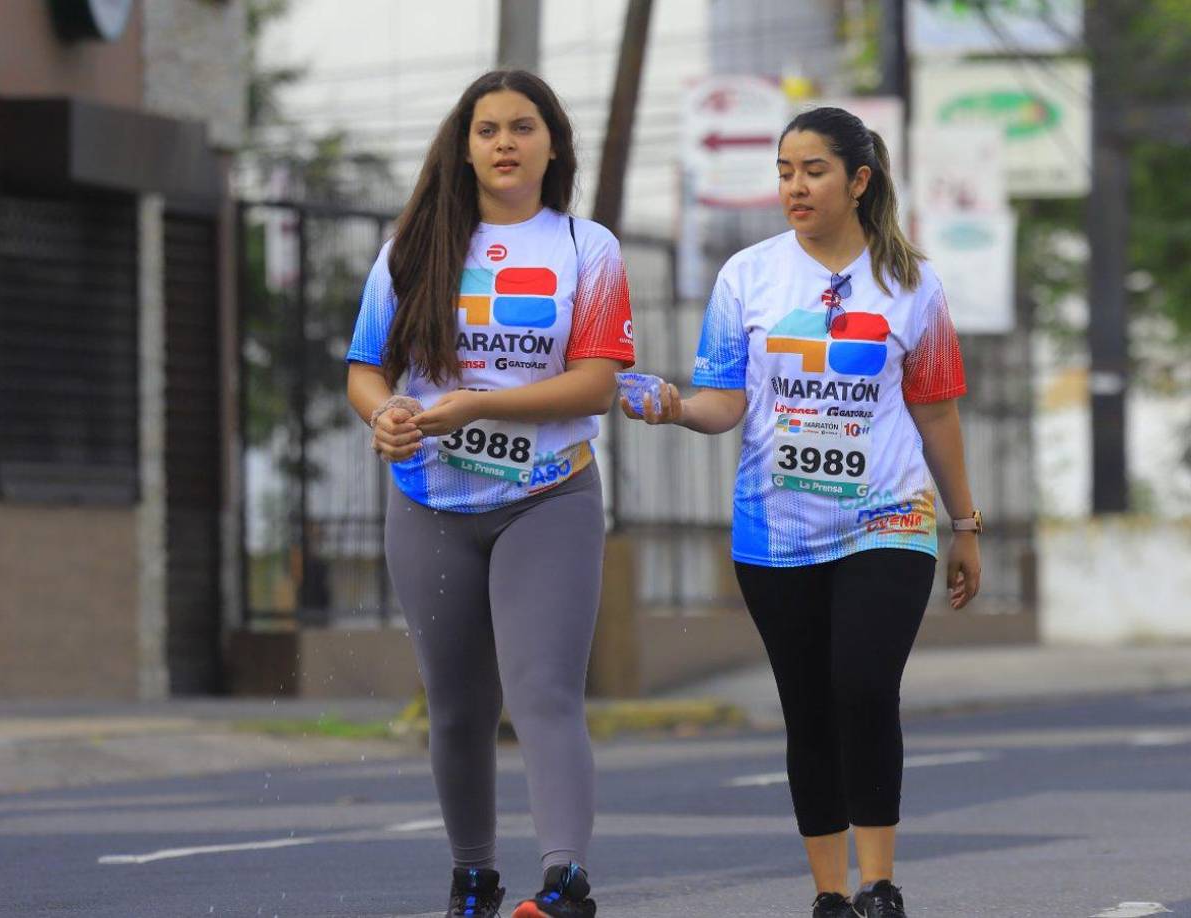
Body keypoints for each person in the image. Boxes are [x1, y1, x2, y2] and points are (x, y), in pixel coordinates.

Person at [620, 106, 981, 918]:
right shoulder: (746, 276)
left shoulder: (915, 286)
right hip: (773, 531)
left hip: (886, 518)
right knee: (807, 706)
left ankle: (880, 884)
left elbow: (936, 414)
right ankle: (829, 894)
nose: (795, 187)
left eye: (813, 170)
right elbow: (725, 404)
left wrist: (965, 526)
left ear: (858, 181)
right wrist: (677, 407)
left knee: (862, 686)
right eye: (784, 171)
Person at [346, 70, 634, 918]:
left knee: (544, 690)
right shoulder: (412, 250)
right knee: (459, 705)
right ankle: (473, 875)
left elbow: (594, 386)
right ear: (464, 147)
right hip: (429, 501)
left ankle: (564, 879)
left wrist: (476, 405)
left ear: (553, 143)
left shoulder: (589, 249)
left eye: (522, 126)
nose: (504, 142)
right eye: (487, 129)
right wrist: (387, 417)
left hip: (549, 495)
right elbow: (367, 372)